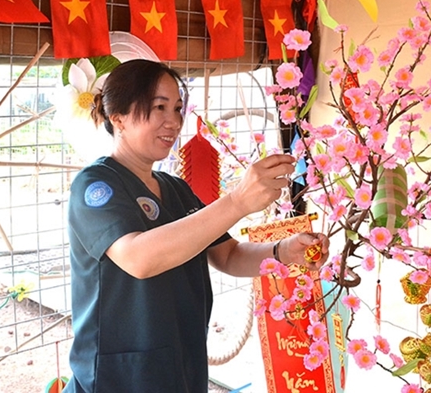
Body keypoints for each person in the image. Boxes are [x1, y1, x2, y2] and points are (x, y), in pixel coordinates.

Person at [63, 59, 329, 393]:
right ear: (118, 118)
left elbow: (228, 255)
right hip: (120, 375)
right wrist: (237, 201)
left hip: (181, 365)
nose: (173, 122)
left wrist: (284, 251)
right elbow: (139, 258)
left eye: (177, 108)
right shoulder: (96, 186)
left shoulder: (175, 188)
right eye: (159, 107)